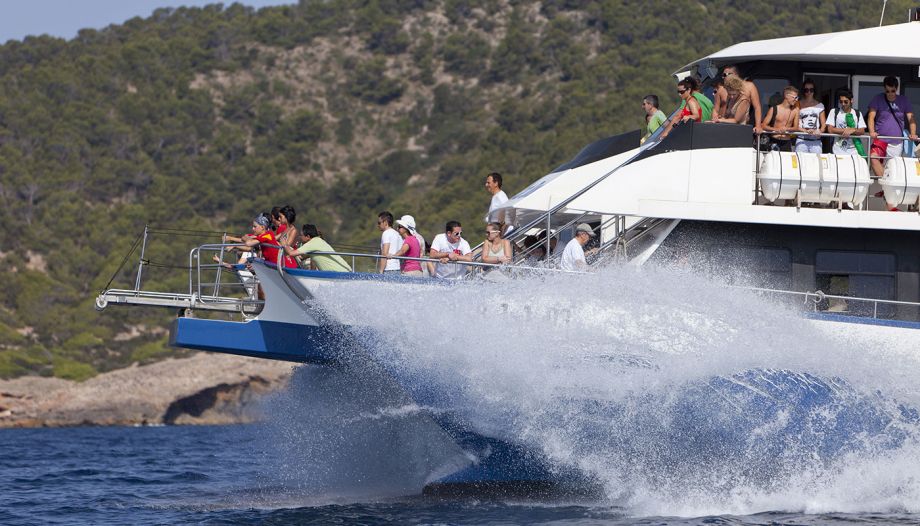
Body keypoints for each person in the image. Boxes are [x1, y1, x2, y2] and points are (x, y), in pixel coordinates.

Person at [868, 76, 918, 178]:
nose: (890, 93)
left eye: (893, 91)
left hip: (896, 142)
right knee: (873, 158)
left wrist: (913, 133)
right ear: (884, 89)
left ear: (897, 89)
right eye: (887, 91)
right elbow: (871, 116)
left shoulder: (904, 100)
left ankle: (886, 189)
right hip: (880, 140)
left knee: (892, 169)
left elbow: (911, 118)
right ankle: (886, 185)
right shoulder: (877, 98)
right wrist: (872, 131)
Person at [284, 224, 351, 272]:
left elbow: (291, 253)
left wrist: (283, 242)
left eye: (301, 235)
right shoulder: (318, 241)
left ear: (308, 236)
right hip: (343, 272)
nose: (300, 237)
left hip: (340, 274)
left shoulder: (312, 243)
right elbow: (301, 257)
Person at [826, 89, 867, 156]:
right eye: (841, 101)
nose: (843, 104)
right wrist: (846, 130)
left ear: (851, 101)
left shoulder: (857, 113)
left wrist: (852, 130)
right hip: (838, 150)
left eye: (846, 102)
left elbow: (862, 131)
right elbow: (830, 129)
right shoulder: (834, 111)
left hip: (854, 150)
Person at [723, 64, 763, 132]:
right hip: (728, 126)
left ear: (735, 74)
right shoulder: (728, 88)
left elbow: (757, 107)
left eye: (726, 74)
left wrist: (758, 126)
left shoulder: (749, 86)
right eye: (723, 75)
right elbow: (726, 108)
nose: (724, 77)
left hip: (742, 126)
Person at [761, 86, 800, 152]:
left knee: (786, 162)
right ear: (786, 96)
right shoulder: (773, 109)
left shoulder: (795, 111)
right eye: (795, 97)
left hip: (786, 142)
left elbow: (796, 127)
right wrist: (776, 129)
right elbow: (763, 125)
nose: (796, 100)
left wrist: (787, 129)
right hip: (774, 141)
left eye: (797, 98)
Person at [795, 79, 826, 153]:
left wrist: (819, 131)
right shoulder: (798, 104)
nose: (809, 92)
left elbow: (824, 124)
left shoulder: (820, 105)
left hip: (816, 141)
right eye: (806, 90)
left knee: (816, 163)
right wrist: (805, 131)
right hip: (801, 140)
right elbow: (795, 124)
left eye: (811, 90)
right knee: (800, 163)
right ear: (803, 91)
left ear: (814, 91)